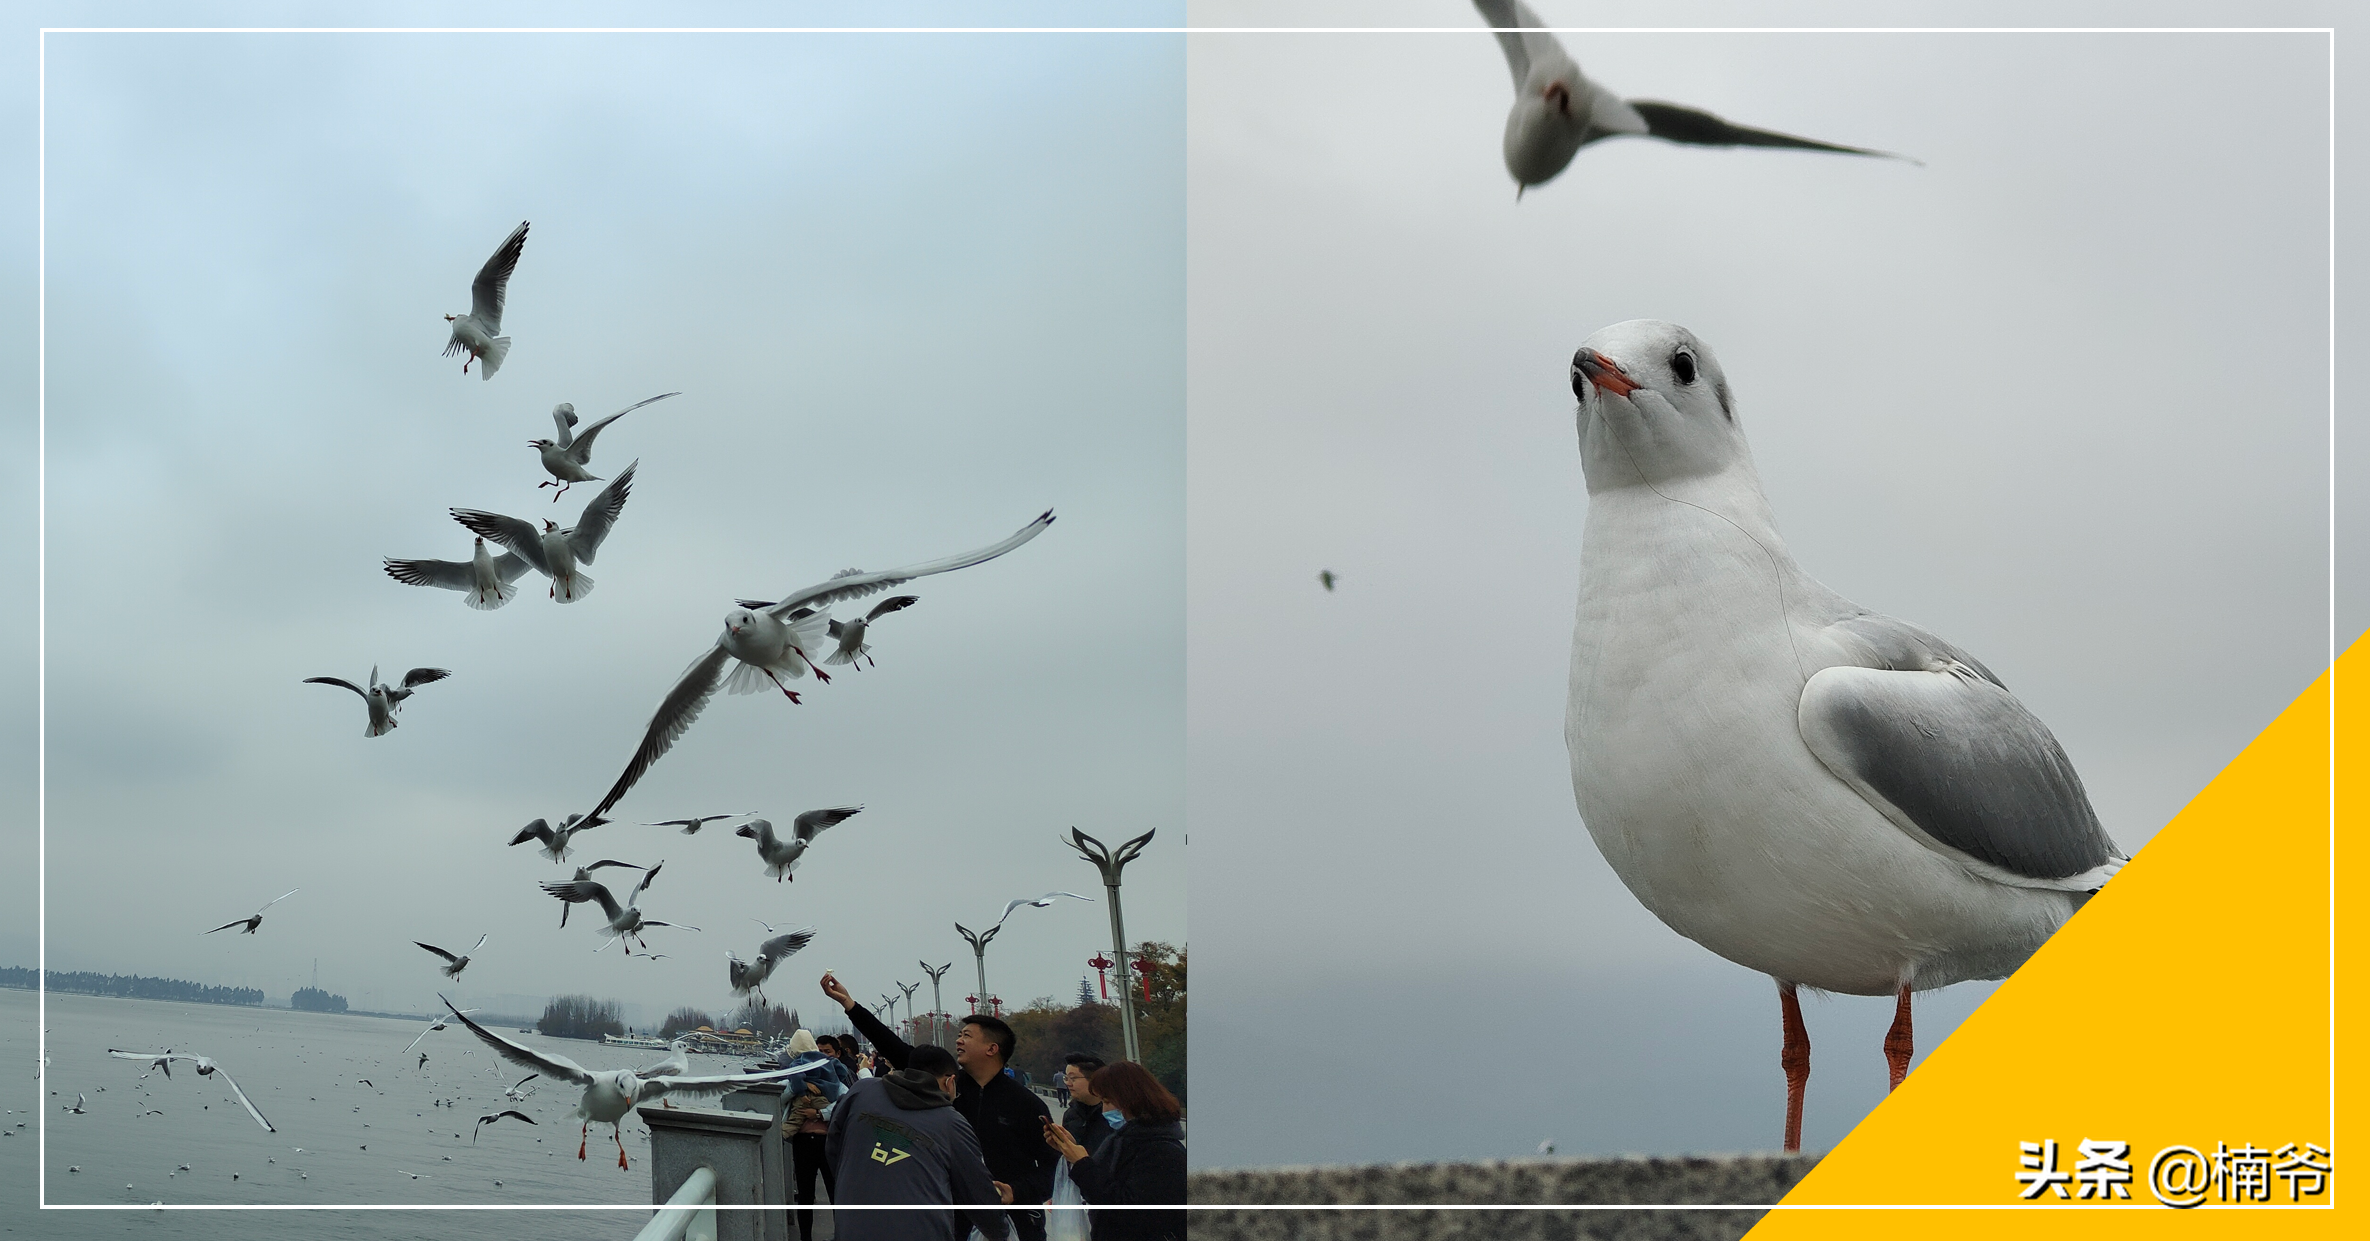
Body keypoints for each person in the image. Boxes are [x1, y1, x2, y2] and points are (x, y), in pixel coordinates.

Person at [825, 972, 1055, 1241]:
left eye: (966, 1036)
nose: (958, 1041)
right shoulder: (944, 1090)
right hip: (950, 1218)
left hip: (1008, 1222)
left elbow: (1054, 1169)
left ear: (992, 1049)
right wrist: (852, 1007)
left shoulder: (1026, 1104)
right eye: (958, 1034)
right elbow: (893, 1045)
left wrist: (1017, 1191)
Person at [825, 1043, 1013, 1241]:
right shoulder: (952, 1124)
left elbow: (833, 1146)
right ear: (950, 1082)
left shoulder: (861, 1091)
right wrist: (1000, 1231)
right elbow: (978, 1195)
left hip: (853, 1227)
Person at [1040, 1061, 1186, 1241]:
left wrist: (1082, 1164)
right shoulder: (1121, 1138)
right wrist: (1072, 1151)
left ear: (1130, 1099)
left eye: (1107, 1101)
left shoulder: (1162, 1150)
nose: (1104, 1110)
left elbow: (1128, 1210)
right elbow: (1104, 1181)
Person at [775, 1029, 848, 1241]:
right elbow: (779, 1097)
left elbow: (844, 1102)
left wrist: (818, 1113)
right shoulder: (833, 1078)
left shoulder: (798, 1074)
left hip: (821, 1141)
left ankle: (824, 1236)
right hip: (809, 1142)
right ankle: (814, 1236)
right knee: (812, 1194)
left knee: (825, 1192)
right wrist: (801, 1088)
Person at [1058, 1054, 1114, 1155]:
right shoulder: (1071, 1115)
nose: (1068, 1083)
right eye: (1066, 1078)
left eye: (1072, 1078)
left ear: (1094, 1079)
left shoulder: (1113, 1115)